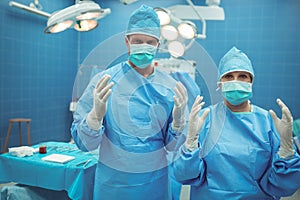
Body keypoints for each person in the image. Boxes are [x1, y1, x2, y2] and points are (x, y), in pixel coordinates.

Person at [71, 5, 188, 200]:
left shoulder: (170, 87)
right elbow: (85, 145)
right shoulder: (104, 81)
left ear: (158, 45)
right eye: (138, 41)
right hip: (114, 183)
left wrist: (177, 124)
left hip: (154, 183)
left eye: (150, 42)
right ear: (127, 42)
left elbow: (173, 147)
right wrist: (94, 118)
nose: (144, 46)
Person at [173, 46, 300, 199]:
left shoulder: (267, 122)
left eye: (242, 76)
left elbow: (283, 186)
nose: (235, 81)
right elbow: (184, 176)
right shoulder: (204, 119)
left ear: (251, 81)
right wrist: (190, 143)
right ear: (220, 83)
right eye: (228, 76)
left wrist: (287, 149)